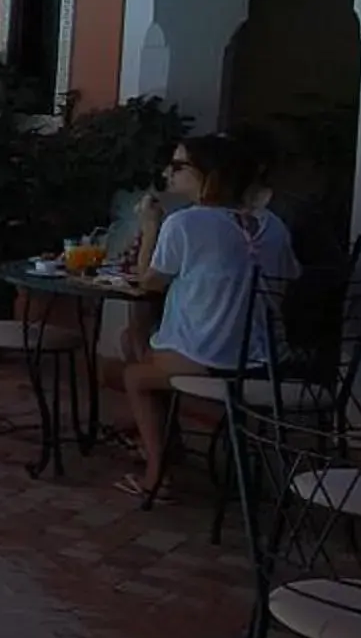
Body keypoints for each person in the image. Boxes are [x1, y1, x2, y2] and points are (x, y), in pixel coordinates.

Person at [117, 132, 299, 498]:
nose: (169, 172)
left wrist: (150, 225)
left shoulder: (185, 223)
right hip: (265, 355)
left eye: (180, 165)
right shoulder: (272, 225)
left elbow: (148, 282)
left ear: (209, 175)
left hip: (211, 356)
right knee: (133, 338)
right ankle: (164, 440)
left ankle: (157, 471)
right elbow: (286, 282)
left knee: (135, 373)